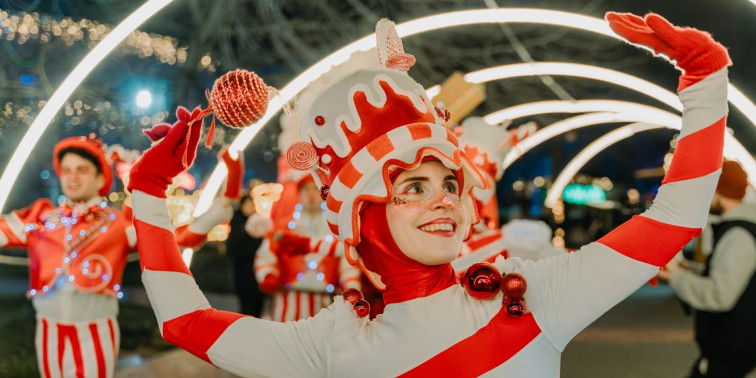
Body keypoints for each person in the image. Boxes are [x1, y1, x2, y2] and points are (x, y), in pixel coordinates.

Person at [126, 13, 730, 376]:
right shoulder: (332, 339)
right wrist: (149, 195)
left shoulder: (534, 296)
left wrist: (705, 83)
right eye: (412, 186)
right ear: (360, 213)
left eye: (449, 183)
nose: (444, 200)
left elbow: (674, 219)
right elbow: (186, 323)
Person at [658, 160, 756, 377]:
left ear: (719, 191)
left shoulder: (738, 234)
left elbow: (720, 294)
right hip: (734, 350)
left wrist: (676, 277)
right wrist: (688, 268)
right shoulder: (741, 228)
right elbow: (733, 275)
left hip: (731, 353)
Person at [253, 173, 361, 321]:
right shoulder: (284, 226)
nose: (311, 194)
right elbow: (266, 255)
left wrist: (351, 288)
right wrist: (268, 274)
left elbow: (347, 261)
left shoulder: (335, 229)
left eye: (315, 189)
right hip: (288, 302)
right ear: (299, 193)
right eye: (306, 189)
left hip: (325, 303)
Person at [226, 193, 266, 317]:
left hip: (257, 271)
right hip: (244, 272)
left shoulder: (258, 221)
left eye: (252, 204)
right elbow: (233, 249)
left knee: (258, 306)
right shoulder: (238, 223)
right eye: (248, 204)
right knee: (248, 308)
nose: (251, 207)